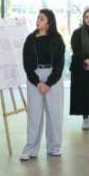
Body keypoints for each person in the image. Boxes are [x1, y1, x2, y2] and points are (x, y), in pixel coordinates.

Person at [21, 9, 66, 160]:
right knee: (34, 115)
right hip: (35, 77)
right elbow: (26, 64)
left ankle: (55, 147)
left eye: (42, 18)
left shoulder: (57, 39)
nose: (38, 20)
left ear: (49, 23)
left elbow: (60, 64)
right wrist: (37, 82)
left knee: (54, 114)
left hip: (53, 77)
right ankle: (31, 149)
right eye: (38, 18)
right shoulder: (30, 39)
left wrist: (49, 83)